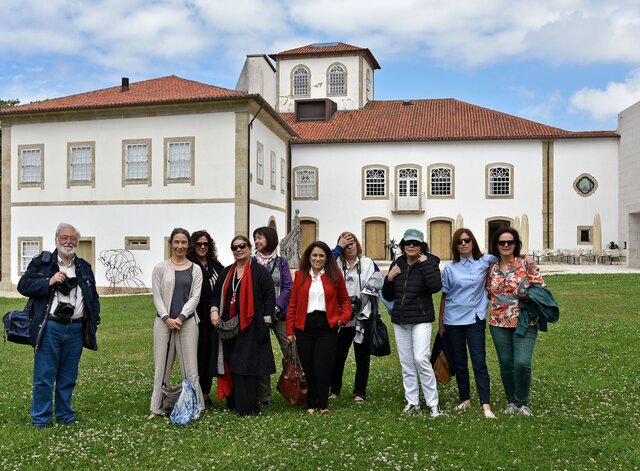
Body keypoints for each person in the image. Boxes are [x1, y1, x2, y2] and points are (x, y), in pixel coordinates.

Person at [17, 223, 100, 428]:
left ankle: (65, 416)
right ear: (56, 239)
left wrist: (94, 318)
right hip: (50, 327)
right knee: (44, 376)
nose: (68, 242)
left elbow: (93, 297)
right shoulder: (43, 263)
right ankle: (41, 420)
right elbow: (23, 286)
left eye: (73, 238)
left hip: (75, 328)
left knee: (68, 376)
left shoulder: (84, 267)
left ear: (77, 242)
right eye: (64, 237)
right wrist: (49, 281)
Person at [211, 236, 276, 416]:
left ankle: (248, 407)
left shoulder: (260, 272)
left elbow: (269, 298)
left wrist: (266, 322)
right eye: (234, 247)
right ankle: (233, 403)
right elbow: (215, 295)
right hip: (228, 327)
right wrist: (214, 311)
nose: (238, 250)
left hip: (251, 326)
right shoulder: (226, 272)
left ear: (249, 248)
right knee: (231, 362)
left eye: (242, 246)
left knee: (245, 365)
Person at [382, 228, 442, 417]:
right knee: (406, 363)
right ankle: (412, 402)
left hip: (421, 319)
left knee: (421, 359)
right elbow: (387, 295)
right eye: (408, 243)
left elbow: (435, 287)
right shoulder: (397, 263)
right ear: (403, 245)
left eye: (416, 243)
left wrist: (425, 265)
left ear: (422, 246)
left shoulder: (431, 262)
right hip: (401, 320)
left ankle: (433, 404)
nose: (411, 246)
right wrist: (389, 279)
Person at [439, 228, 498, 419]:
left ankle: (486, 404)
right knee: (460, 362)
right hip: (453, 320)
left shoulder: (485, 261)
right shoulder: (450, 268)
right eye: (459, 241)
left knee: (479, 361)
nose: (463, 244)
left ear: (473, 242)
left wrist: (526, 259)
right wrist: (441, 324)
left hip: (475, 319)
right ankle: (465, 399)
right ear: (455, 246)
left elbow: (507, 257)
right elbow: (445, 296)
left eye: (467, 240)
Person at [286, 241, 351, 414]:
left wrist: (342, 320)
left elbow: (345, 301)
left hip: (327, 327)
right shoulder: (300, 275)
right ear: (309, 257)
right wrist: (290, 330)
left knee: (323, 365)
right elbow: (293, 304)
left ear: (327, 258)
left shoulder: (334, 274)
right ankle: (311, 404)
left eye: (321, 255)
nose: (318, 258)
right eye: (314, 255)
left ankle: (323, 404)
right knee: (308, 367)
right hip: (304, 327)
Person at [487, 226, 545, 416]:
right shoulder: (491, 268)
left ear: (515, 244)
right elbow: (486, 291)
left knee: (522, 363)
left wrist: (526, 296)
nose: (506, 245)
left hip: (525, 321)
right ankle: (511, 402)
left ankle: (522, 403)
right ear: (496, 245)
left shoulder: (525, 265)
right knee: (506, 364)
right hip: (498, 323)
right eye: (501, 242)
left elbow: (541, 289)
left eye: (509, 242)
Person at [149, 228, 204, 418]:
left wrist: (181, 317)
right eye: (176, 242)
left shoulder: (195, 269)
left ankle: (195, 407)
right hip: (163, 323)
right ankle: (156, 407)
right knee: (161, 366)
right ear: (171, 243)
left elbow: (195, 296)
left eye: (183, 242)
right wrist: (166, 317)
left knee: (190, 367)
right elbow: (156, 295)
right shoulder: (160, 268)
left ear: (188, 245)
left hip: (187, 323)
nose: (180, 246)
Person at [329, 232, 379, 404]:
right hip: (341, 317)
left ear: (357, 245)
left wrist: (363, 299)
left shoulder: (367, 263)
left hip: (362, 316)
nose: (349, 247)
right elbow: (323, 265)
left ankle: (360, 392)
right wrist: (338, 248)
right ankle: (334, 389)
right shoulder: (335, 263)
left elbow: (377, 282)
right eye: (345, 244)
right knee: (337, 356)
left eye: (352, 243)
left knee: (362, 356)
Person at [252, 226, 293, 407]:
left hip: (279, 314)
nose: (257, 241)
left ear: (270, 239)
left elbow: (288, 286)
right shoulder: (251, 262)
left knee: (291, 350)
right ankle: (264, 396)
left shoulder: (281, 262)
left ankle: (295, 387)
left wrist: (277, 306)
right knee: (261, 353)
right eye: (255, 238)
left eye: (260, 237)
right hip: (258, 316)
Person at [187, 230, 224, 407]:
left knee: (210, 355)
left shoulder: (215, 265)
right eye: (199, 244)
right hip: (196, 318)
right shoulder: (189, 266)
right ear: (193, 245)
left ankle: (206, 392)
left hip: (214, 319)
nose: (202, 247)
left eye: (206, 244)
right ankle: (196, 392)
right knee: (198, 356)